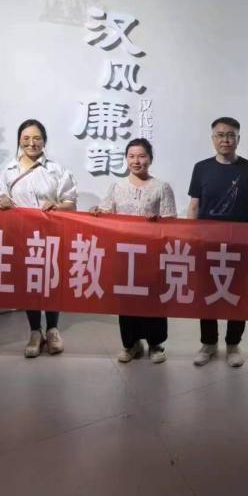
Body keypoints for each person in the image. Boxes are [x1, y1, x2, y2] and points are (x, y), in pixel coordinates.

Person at [0, 119, 78, 358]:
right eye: (26, 139)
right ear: (19, 141)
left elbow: (70, 203)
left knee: (51, 281)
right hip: (21, 236)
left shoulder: (56, 170)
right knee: (29, 282)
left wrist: (58, 205)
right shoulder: (8, 172)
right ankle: (34, 331)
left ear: (44, 141)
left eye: (37, 138)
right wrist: (3, 203)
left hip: (51, 235)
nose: (31, 143)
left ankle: (52, 330)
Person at [91, 138, 177, 364]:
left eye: (141, 156)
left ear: (150, 159)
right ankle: (131, 344)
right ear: (126, 159)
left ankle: (156, 344)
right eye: (131, 156)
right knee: (127, 299)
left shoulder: (161, 187)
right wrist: (96, 212)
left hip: (152, 255)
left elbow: (171, 220)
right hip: (124, 254)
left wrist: (158, 220)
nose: (136, 161)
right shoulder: (116, 187)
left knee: (153, 298)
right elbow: (106, 214)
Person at [187, 117, 248, 368]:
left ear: (238, 139)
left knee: (237, 293)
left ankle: (233, 344)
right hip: (207, 244)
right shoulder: (201, 168)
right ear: (213, 139)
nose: (225, 140)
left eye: (231, 135)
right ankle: (208, 343)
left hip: (239, 245)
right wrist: (191, 237)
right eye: (220, 135)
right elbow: (194, 205)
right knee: (207, 293)